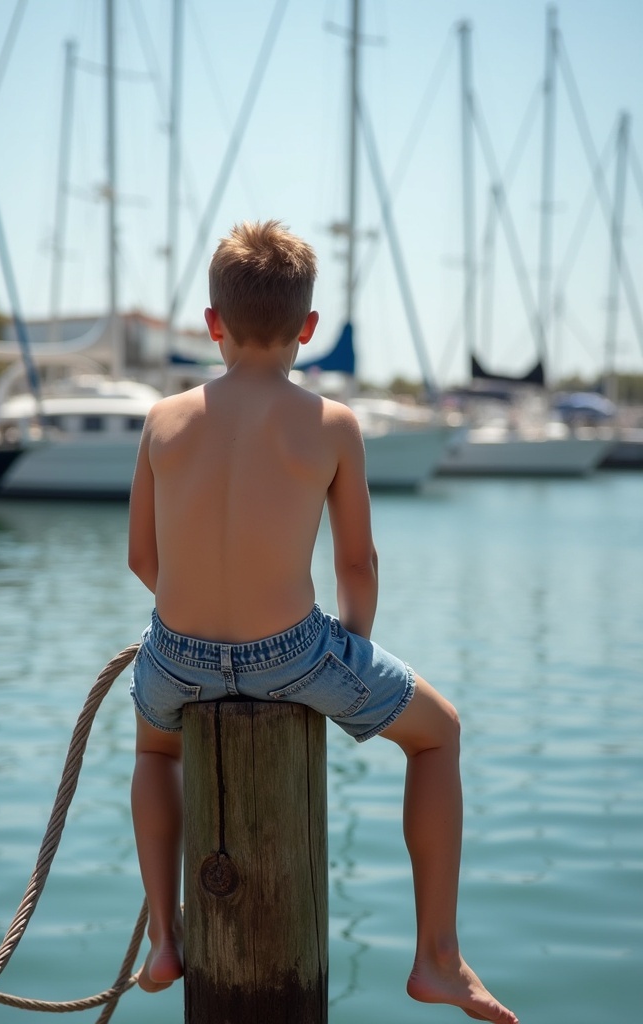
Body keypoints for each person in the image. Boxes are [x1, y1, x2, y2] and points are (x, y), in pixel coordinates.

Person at [127, 220, 518, 1024]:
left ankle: (165, 938)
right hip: (293, 655)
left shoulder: (162, 419)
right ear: (307, 329)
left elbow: (141, 559)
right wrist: (353, 651)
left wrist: (195, 617)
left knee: (154, 746)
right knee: (438, 731)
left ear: (212, 323)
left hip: (174, 656)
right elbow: (357, 566)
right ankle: (438, 957)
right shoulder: (333, 423)